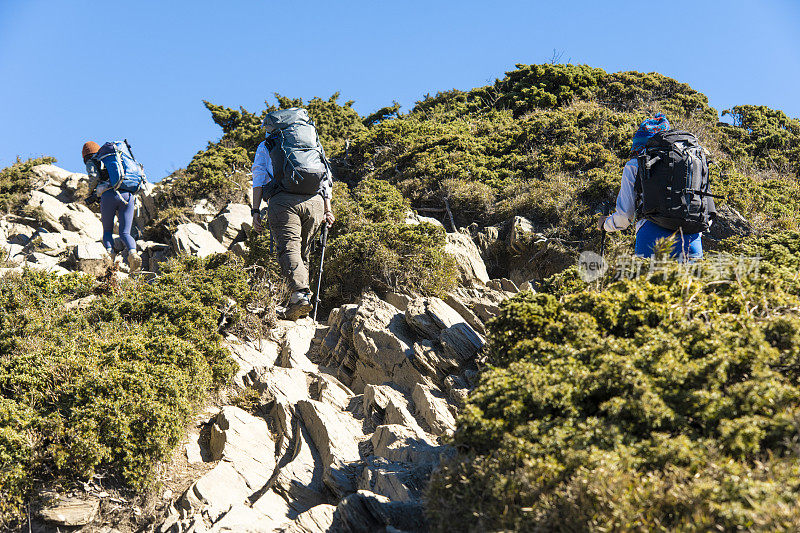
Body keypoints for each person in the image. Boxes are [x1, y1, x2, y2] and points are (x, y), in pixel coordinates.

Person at [251, 128, 335, 320]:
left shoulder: (267, 145)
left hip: (284, 201)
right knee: (303, 251)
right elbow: (326, 177)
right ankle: (302, 300)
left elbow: (259, 177)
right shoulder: (312, 143)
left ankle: (299, 296)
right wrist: (327, 209)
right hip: (314, 202)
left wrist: (255, 210)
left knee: (289, 248)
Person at [597, 114, 705, 260]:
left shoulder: (635, 164)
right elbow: (707, 212)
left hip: (651, 238)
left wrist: (606, 224)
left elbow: (624, 216)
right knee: (690, 283)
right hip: (692, 240)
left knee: (648, 282)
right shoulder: (693, 159)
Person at [82, 141, 142, 271]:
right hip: (128, 195)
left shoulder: (92, 161)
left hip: (109, 195)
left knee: (108, 230)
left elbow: (94, 176)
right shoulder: (114, 159)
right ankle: (133, 253)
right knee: (125, 232)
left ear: (85, 156)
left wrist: (90, 194)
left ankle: (110, 257)